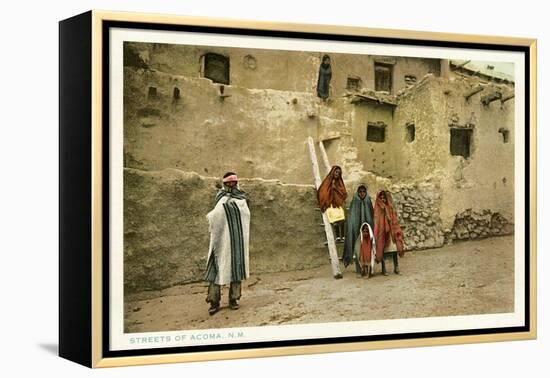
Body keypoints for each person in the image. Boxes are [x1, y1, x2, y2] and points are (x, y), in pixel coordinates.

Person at [204, 172, 250, 315]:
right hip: (221, 240)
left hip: (236, 240)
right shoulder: (220, 197)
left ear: (236, 183)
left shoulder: (242, 197)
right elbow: (216, 215)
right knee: (216, 267)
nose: (231, 185)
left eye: (234, 182)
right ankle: (214, 301)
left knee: (236, 267)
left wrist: (233, 210)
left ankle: (234, 299)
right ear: (224, 183)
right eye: (228, 183)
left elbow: (245, 214)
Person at [343, 185, 375, 271]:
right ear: (358, 192)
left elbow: (371, 215)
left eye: (364, 192)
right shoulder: (355, 200)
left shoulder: (368, 200)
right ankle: (358, 269)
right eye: (360, 192)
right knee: (357, 249)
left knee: (368, 249)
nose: (362, 194)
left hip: (366, 230)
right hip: (356, 230)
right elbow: (352, 216)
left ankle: (368, 268)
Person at [374, 190, 405, 275]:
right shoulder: (377, 209)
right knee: (383, 250)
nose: (383, 200)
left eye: (384, 198)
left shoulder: (389, 207)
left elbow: (394, 219)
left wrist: (396, 229)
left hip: (391, 232)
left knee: (394, 249)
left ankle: (396, 267)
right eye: (381, 198)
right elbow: (377, 221)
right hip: (382, 233)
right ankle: (384, 269)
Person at [317, 166, 347, 241]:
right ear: (333, 172)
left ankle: (343, 236)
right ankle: (337, 237)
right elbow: (322, 191)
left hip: (338, 204)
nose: (337, 174)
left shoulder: (339, 182)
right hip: (330, 204)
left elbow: (343, 192)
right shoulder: (327, 181)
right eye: (336, 172)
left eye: (339, 173)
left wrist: (336, 188)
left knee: (342, 219)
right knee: (335, 221)